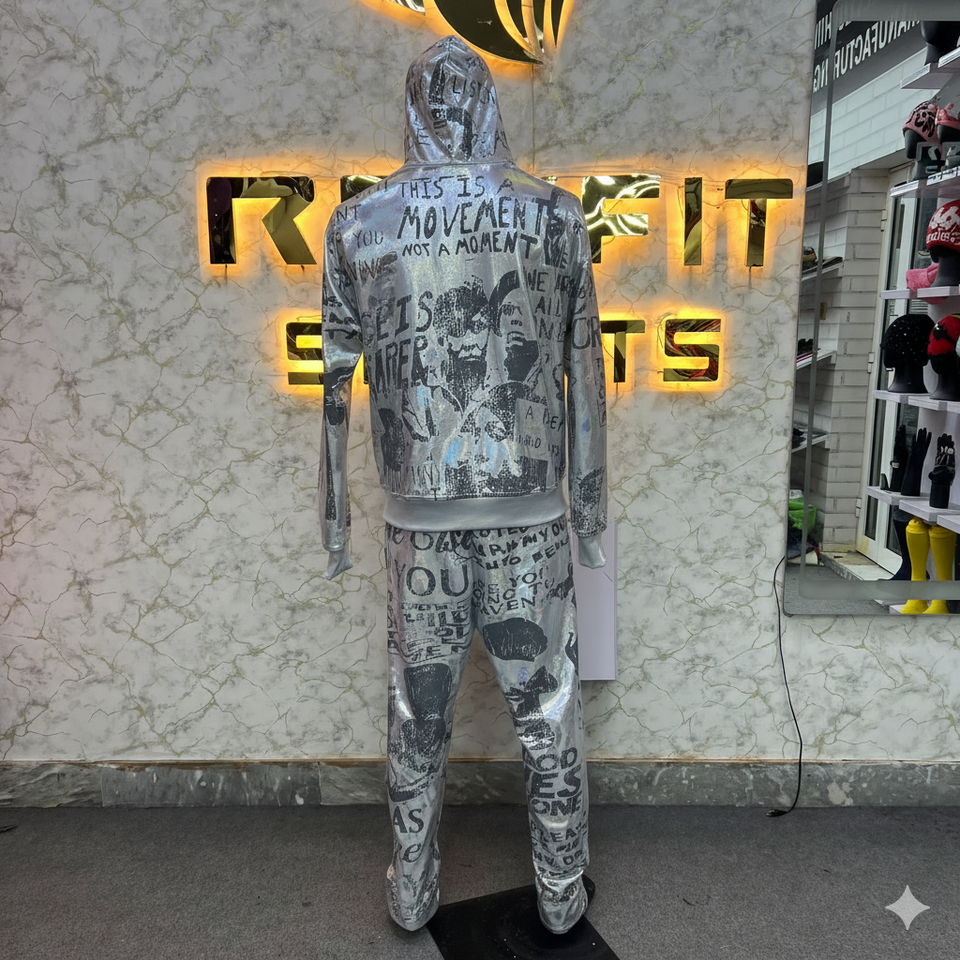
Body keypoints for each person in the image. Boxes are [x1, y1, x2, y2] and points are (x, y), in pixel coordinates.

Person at [318, 35, 607, 935]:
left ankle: (412, 889)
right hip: (530, 513)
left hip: (420, 516)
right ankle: (560, 893)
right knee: (548, 708)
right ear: (492, 102)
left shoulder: (359, 222)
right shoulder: (555, 214)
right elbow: (586, 372)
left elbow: (333, 383)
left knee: (417, 709)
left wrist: (336, 521)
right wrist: (589, 508)